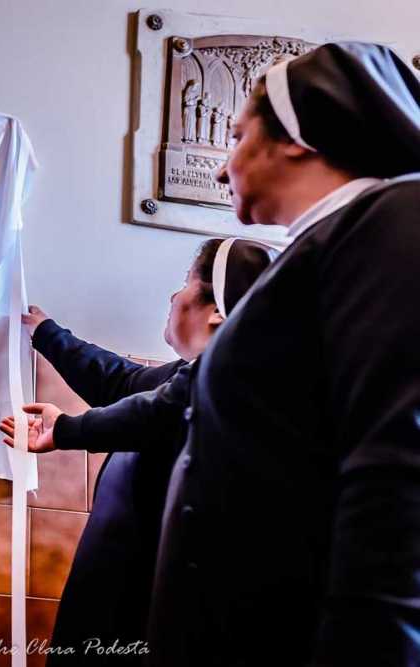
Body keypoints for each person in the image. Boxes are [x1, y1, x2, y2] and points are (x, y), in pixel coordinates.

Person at [147, 43, 420, 666]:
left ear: (295, 140)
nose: (222, 171)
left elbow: (396, 473)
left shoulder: (394, 222)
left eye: (237, 137)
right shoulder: (323, 246)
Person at [0, 238, 273, 664]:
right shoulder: (184, 378)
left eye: (185, 283)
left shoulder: (226, 388)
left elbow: (153, 412)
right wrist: (47, 333)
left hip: (151, 613)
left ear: (216, 311)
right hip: (109, 599)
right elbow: (120, 382)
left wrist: (66, 429)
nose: (173, 296)